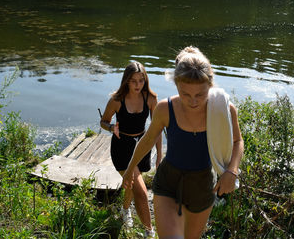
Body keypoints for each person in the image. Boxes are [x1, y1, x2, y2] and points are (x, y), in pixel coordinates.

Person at [122, 46, 244, 239]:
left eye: (200, 95)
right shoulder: (165, 109)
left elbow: (237, 141)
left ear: (210, 86)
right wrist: (129, 170)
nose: (193, 101)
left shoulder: (224, 110)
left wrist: (231, 171)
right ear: (177, 84)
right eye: (186, 94)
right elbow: (147, 141)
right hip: (168, 183)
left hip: (202, 187)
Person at [100, 61, 162, 238]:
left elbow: (157, 128)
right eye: (133, 81)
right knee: (141, 192)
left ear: (145, 80)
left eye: (141, 80)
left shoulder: (150, 98)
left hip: (142, 147)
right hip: (122, 147)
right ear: (126, 81)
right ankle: (150, 232)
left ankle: (125, 209)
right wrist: (111, 128)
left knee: (130, 185)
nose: (137, 85)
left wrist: (159, 155)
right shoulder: (116, 100)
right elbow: (103, 121)